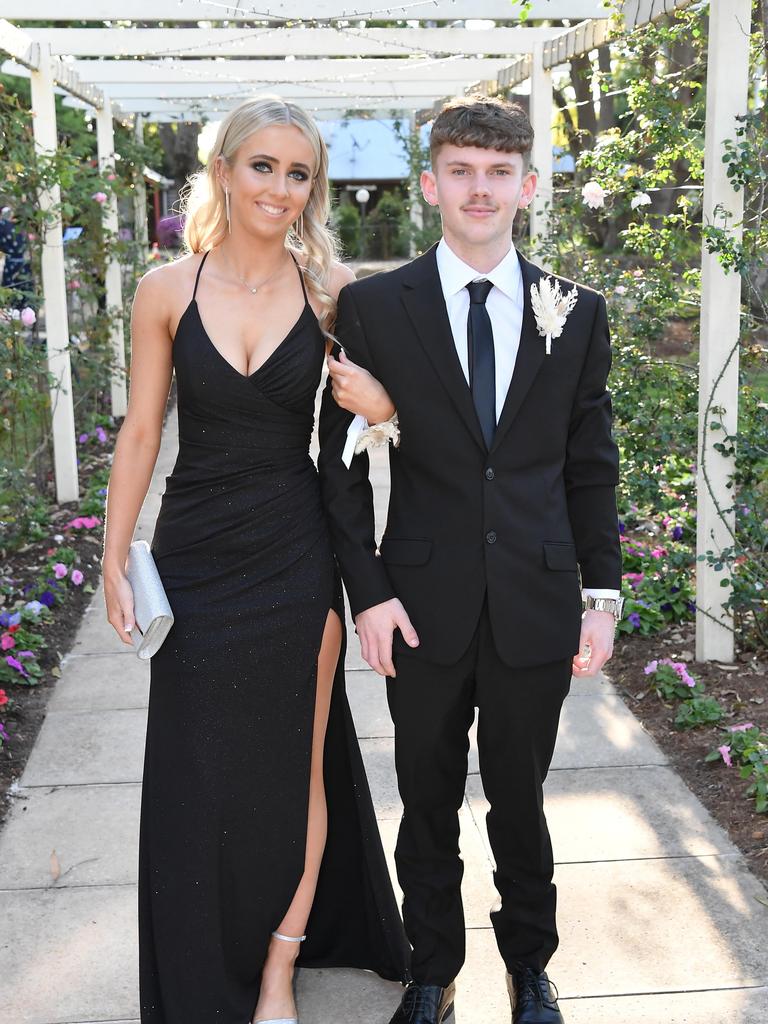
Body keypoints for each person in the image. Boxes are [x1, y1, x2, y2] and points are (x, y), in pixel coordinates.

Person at [102, 96, 410, 1024]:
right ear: (224, 171)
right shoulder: (166, 290)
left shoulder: (334, 295)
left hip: (295, 553)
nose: (280, 188)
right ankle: (202, 961)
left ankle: (280, 968)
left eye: (299, 172)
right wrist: (118, 558)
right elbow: (144, 430)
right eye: (263, 167)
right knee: (196, 768)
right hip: (195, 555)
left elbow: (386, 422)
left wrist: (384, 408)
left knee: (295, 766)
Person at [319, 97, 623, 1024]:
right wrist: (368, 594)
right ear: (430, 185)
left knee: (522, 805)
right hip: (420, 602)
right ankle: (430, 971)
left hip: (534, 596)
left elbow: (589, 465)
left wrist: (601, 595)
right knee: (426, 801)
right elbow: (337, 473)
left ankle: (530, 969)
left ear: (527, 187)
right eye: (461, 171)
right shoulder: (372, 307)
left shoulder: (575, 312)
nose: (479, 189)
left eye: (498, 174)